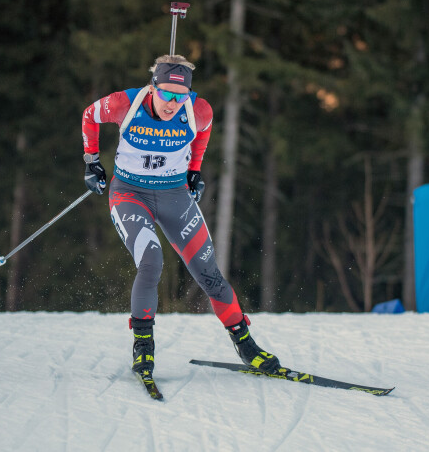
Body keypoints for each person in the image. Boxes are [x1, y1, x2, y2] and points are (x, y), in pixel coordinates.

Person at [81, 54, 281, 378]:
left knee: (209, 274)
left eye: (180, 96)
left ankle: (246, 346)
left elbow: (204, 130)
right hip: (130, 195)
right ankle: (143, 348)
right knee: (152, 261)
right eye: (165, 95)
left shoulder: (198, 110)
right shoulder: (125, 104)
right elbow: (89, 115)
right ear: (153, 87)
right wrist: (92, 160)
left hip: (175, 195)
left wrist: (194, 170)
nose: (172, 104)